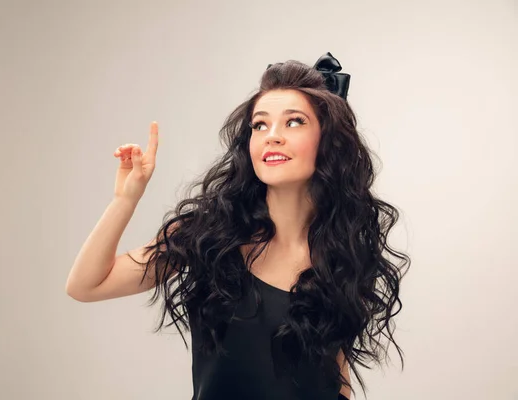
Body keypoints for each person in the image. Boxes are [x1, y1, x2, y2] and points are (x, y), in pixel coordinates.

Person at [66, 52, 411, 400]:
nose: (271, 136)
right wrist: (125, 200)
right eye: (259, 125)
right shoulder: (209, 235)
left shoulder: (343, 248)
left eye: (293, 122)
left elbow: (334, 370)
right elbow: (86, 285)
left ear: (327, 140)